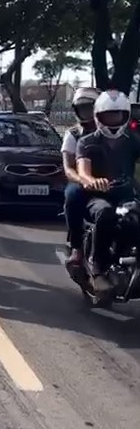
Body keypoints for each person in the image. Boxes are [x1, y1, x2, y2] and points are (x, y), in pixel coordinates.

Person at [75, 89, 140, 292]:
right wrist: (93, 180)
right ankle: (98, 267)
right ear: (98, 116)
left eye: (118, 115)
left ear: (126, 115)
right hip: (97, 196)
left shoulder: (134, 141)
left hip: (127, 196)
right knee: (105, 213)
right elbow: (82, 170)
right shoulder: (87, 142)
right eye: (109, 115)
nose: (113, 120)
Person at [62, 87, 99, 265]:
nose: (86, 112)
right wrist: (83, 180)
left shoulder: (110, 132)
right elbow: (68, 168)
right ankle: (77, 248)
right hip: (81, 181)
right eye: (82, 108)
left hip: (111, 180)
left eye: (89, 108)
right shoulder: (74, 134)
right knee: (72, 195)